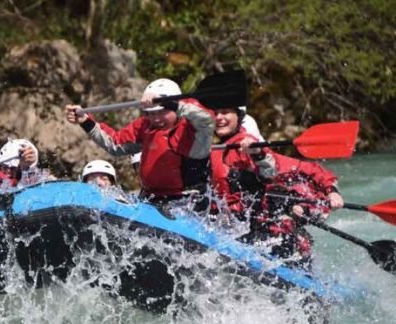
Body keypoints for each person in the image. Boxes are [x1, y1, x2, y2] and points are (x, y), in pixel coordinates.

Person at [210, 107, 344, 267]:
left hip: (278, 236)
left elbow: (273, 171)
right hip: (243, 229)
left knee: (290, 219)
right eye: (216, 113)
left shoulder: (265, 157)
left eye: (225, 112)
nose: (219, 118)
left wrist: (332, 192)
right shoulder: (217, 153)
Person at [65, 78, 214, 204]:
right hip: (151, 200)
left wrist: (170, 103)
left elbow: (205, 119)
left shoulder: (194, 130)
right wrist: (86, 122)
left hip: (188, 202)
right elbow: (115, 144)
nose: (156, 119)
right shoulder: (145, 126)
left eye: (162, 112)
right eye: (151, 113)